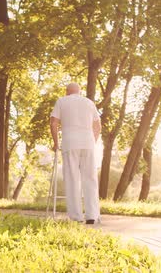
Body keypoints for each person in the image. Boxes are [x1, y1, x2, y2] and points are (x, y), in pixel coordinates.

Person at [50, 83, 102, 224]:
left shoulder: (61, 101)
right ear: (80, 91)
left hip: (70, 143)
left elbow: (54, 122)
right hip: (88, 143)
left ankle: (76, 217)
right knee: (90, 179)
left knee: (72, 179)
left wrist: (56, 143)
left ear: (67, 91)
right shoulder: (89, 103)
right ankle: (92, 215)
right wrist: (93, 141)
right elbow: (97, 125)